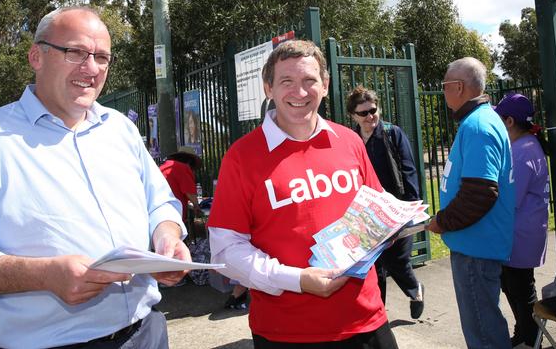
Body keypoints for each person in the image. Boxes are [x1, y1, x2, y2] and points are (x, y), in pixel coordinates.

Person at [0, 6, 190, 349]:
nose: (91, 68)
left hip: (145, 333)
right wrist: (46, 275)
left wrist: (167, 239)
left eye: (102, 57)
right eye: (76, 52)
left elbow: (160, 202)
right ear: (37, 56)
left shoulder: (119, 128)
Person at [208, 40, 398, 348]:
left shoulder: (349, 141)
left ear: (324, 85)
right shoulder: (242, 157)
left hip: (366, 322)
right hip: (285, 333)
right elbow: (226, 252)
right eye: (287, 81)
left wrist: (395, 223)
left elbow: (375, 210)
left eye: (309, 80)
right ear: (268, 88)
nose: (299, 92)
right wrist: (295, 280)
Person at [426, 57, 514, 349]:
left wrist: (443, 221)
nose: (443, 92)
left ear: (459, 87)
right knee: (483, 325)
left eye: (445, 86)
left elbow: (480, 193)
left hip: (475, 249)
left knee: (484, 333)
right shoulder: (479, 121)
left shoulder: (478, 126)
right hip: (474, 246)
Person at [346, 86, 424, 319]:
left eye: (373, 110)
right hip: (367, 213)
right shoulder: (352, 139)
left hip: (396, 209)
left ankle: (416, 291)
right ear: (353, 116)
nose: (371, 116)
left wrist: (411, 207)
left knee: (397, 260)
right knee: (374, 265)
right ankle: (377, 313)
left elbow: (409, 170)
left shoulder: (392, 133)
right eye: (364, 113)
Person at [494, 93, 550, 347]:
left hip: (519, 235)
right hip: (521, 233)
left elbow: (509, 198)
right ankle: (525, 333)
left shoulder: (521, 150)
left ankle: (529, 338)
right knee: (513, 285)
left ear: (509, 122)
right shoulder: (525, 145)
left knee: (519, 288)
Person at [159, 146, 203, 223]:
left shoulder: (163, 167)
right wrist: (196, 206)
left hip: (159, 213)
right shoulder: (183, 168)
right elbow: (190, 193)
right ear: (190, 162)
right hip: (173, 214)